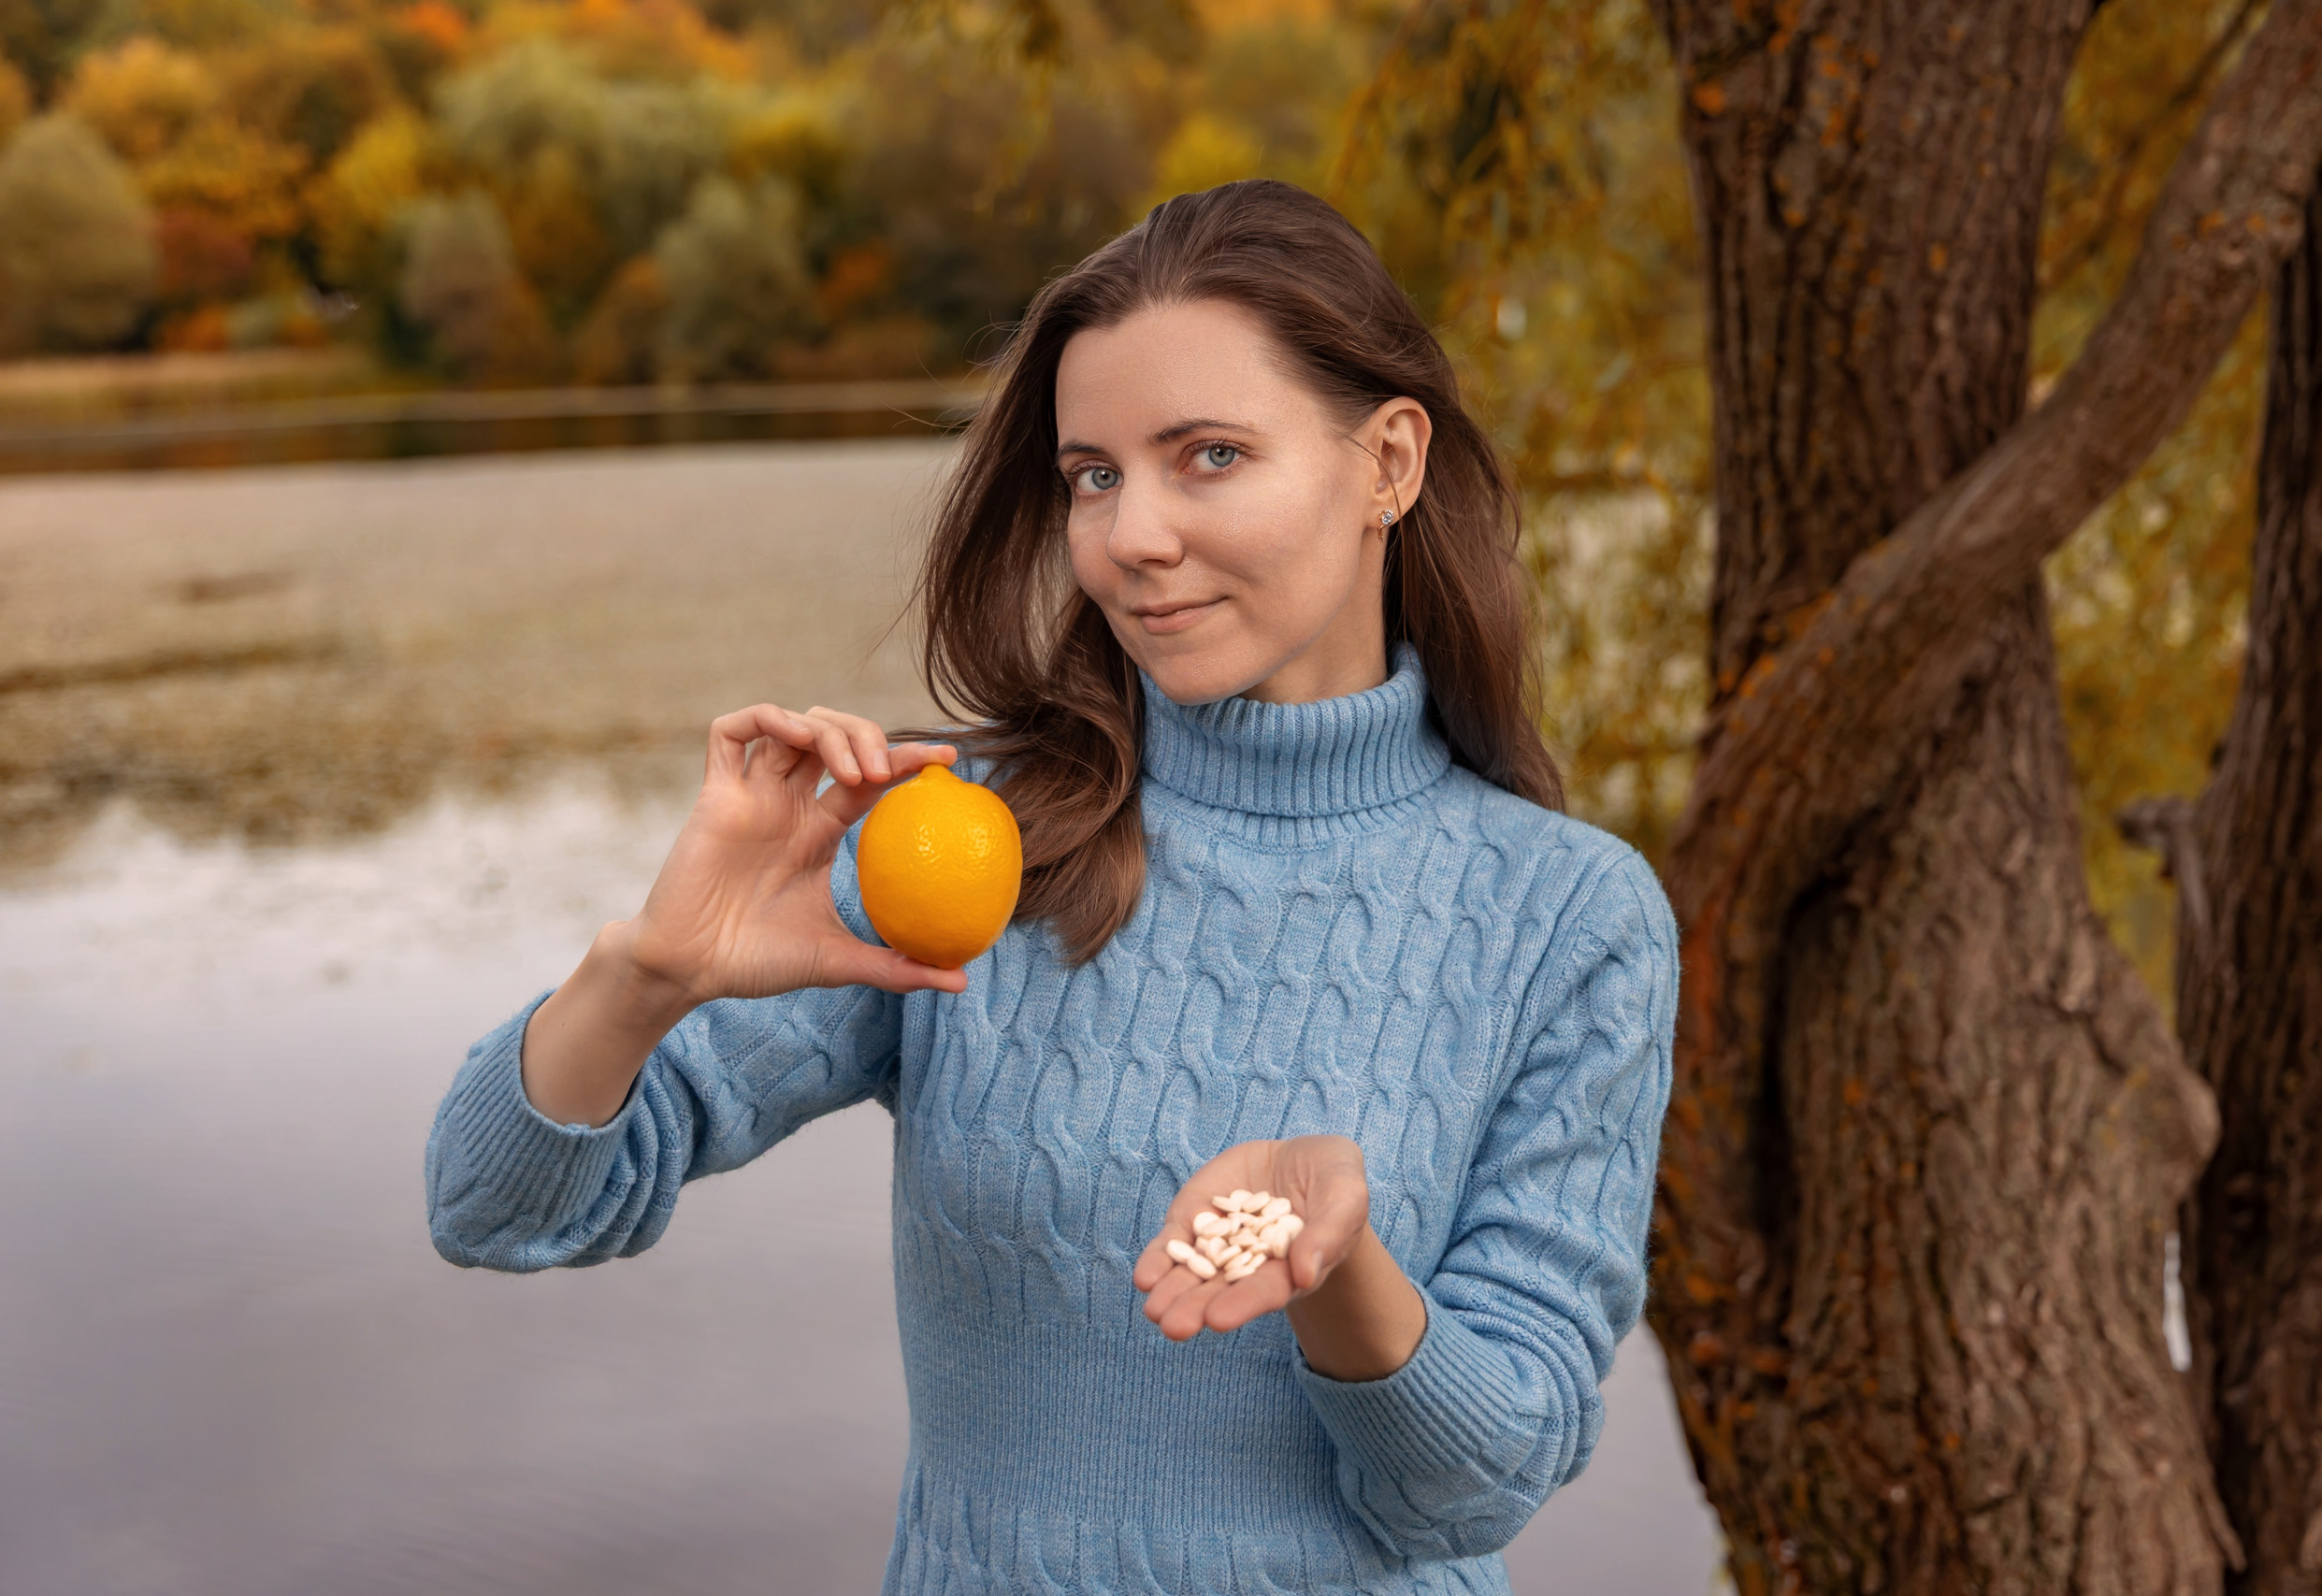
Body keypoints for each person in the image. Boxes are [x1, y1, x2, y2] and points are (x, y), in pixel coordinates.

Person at [425, 178, 1680, 1595]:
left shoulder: (1570, 918)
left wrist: (1338, 1264)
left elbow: (1483, 1484)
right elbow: (491, 1206)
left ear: (1388, 461)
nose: (1132, 535)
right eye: (1095, 475)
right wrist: (650, 972)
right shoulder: (969, 841)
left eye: (1207, 455)